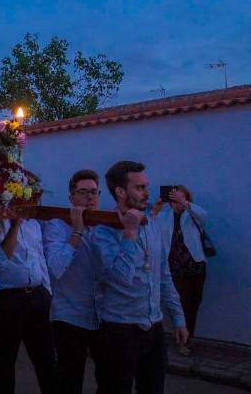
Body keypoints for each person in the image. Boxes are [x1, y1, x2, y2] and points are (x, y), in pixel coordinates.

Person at [92, 161, 188, 393]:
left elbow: (163, 275)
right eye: (140, 188)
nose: (147, 193)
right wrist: (129, 232)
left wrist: (178, 317)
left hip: (154, 329)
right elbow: (120, 277)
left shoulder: (153, 226)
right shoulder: (102, 231)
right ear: (120, 192)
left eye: (146, 186)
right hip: (119, 331)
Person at [0, 207, 55, 393]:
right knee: (4, 361)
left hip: (38, 296)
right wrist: (14, 226)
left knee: (46, 359)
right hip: (7, 300)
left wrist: (47, 292)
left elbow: (39, 257)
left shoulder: (34, 224)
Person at [43, 170, 104, 394]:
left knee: (108, 378)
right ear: (71, 197)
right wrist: (77, 231)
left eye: (94, 192)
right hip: (70, 316)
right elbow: (56, 268)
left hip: (102, 315)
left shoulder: (105, 225)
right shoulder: (56, 226)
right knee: (70, 379)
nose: (90, 197)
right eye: (83, 192)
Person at [153, 185, 208, 356]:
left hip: (196, 266)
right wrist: (156, 209)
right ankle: (182, 342)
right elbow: (149, 223)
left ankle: (187, 336)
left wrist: (185, 204)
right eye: (174, 199)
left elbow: (204, 215)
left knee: (194, 303)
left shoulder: (192, 215)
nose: (176, 203)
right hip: (174, 268)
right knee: (180, 304)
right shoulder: (163, 217)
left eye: (180, 198)